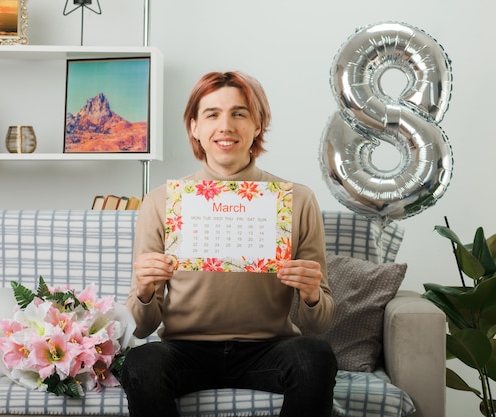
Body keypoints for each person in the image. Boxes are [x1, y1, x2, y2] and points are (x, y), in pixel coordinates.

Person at [121, 71, 337, 417]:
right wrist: (146, 290)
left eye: (240, 113)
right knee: (141, 361)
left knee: (315, 354)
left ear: (258, 125)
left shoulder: (297, 200)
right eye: (211, 114)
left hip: (270, 349)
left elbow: (319, 325)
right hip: (184, 351)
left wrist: (311, 295)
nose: (226, 126)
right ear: (194, 127)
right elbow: (142, 326)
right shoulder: (161, 202)